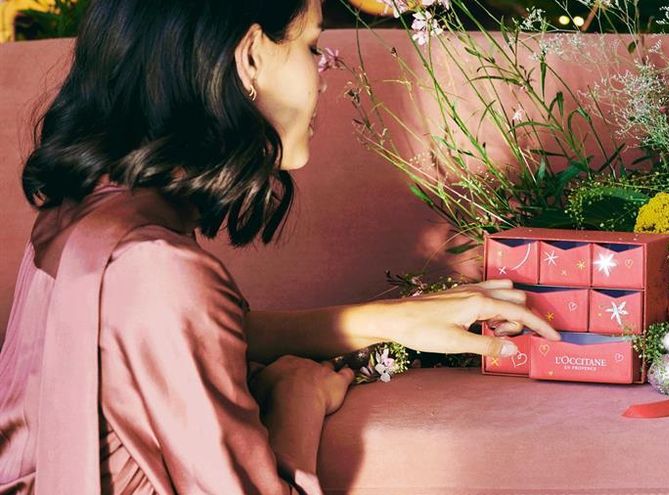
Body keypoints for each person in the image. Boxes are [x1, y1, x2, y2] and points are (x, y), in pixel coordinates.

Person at [0, 0, 560, 493]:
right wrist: (299, 400)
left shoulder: (82, 214)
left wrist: (388, 320)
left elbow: (179, 338)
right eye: (312, 46)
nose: (323, 75)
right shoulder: (160, 267)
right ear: (250, 57)